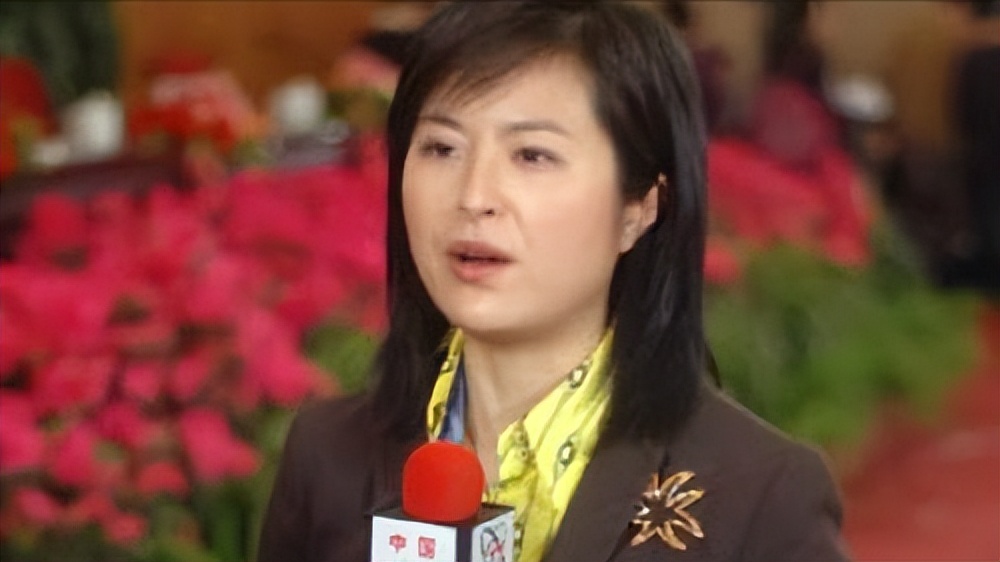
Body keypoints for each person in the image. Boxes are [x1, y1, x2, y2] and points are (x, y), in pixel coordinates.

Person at [258, 3, 850, 561]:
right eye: (441, 147)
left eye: (532, 156)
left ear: (640, 207)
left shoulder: (761, 496)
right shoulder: (327, 456)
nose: (474, 196)